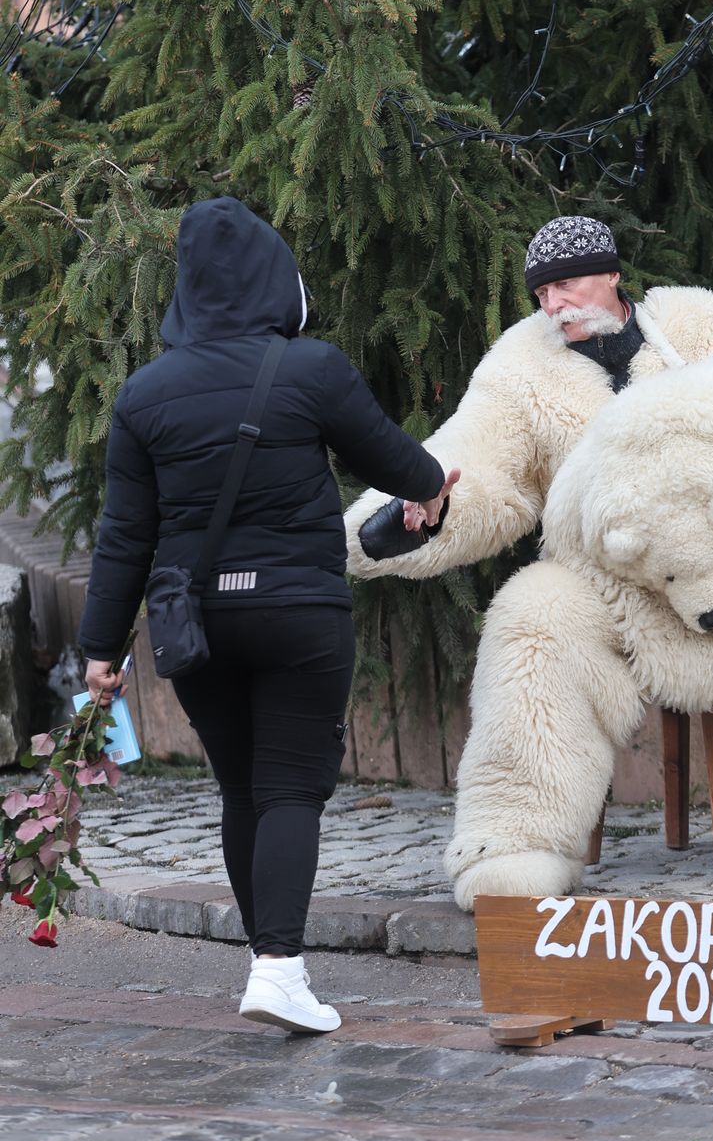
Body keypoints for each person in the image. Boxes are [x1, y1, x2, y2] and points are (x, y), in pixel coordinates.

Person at [345, 214, 713, 905]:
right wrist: (410, 511)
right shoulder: (519, 367)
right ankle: (516, 841)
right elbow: (477, 463)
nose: (554, 305)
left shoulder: (709, 326)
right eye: (542, 293)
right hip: (613, 596)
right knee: (531, 615)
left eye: (567, 285)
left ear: (613, 275)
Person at [78, 196, 457, 1032]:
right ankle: (279, 970)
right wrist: (431, 490)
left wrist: (99, 649)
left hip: (197, 625)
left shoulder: (144, 394)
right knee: (289, 789)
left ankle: (268, 964)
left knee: (242, 789)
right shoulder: (312, 369)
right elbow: (397, 463)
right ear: (274, 281)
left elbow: (124, 535)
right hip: (297, 615)